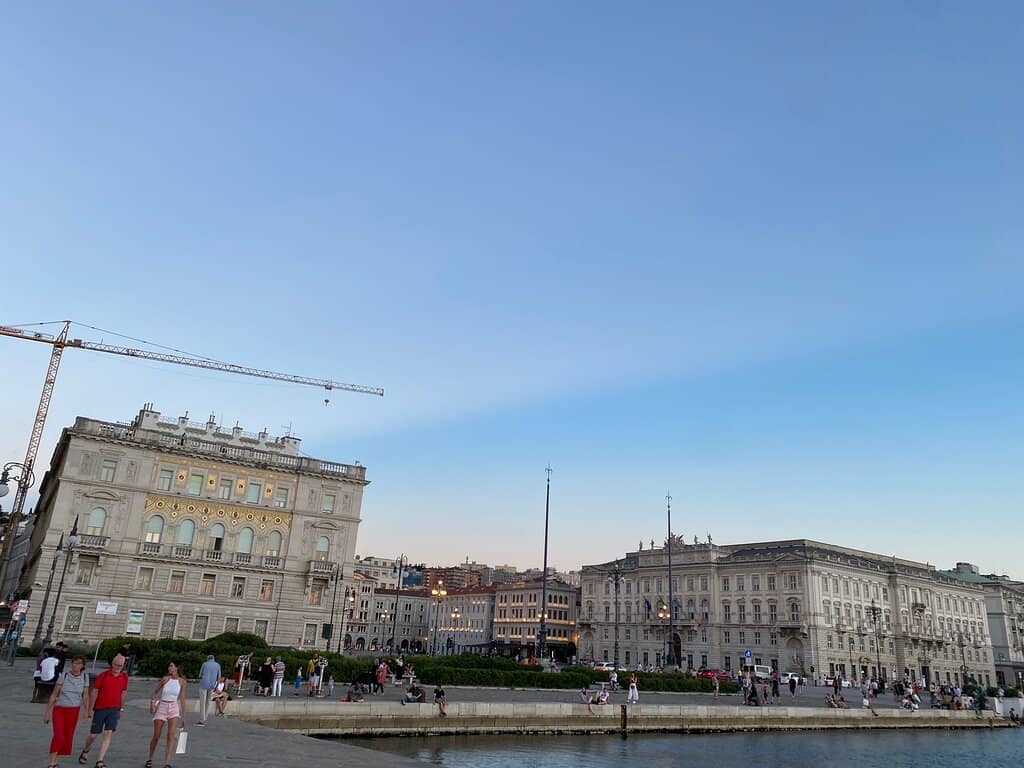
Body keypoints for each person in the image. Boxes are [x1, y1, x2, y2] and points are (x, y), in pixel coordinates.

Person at [78, 654, 129, 768]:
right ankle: (86, 750)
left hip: (114, 709)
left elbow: (123, 693)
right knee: (93, 735)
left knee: (108, 733)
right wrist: (90, 709)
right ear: (112, 663)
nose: (117, 667)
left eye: (120, 665)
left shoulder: (124, 677)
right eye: (115, 664)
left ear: (123, 666)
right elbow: (94, 691)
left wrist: (121, 708)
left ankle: (99, 761)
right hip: (100, 708)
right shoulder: (103, 675)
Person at [44, 655, 90, 768]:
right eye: (74, 662)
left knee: (67, 737)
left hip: (73, 710)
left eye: (79, 663)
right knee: (59, 736)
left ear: (83, 666)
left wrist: (86, 711)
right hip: (60, 709)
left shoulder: (85, 677)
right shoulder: (64, 675)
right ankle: (52, 763)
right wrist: (47, 712)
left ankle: (56, 760)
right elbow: (54, 694)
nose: (75, 665)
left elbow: (85, 696)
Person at [147, 661, 187, 768]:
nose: (169, 668)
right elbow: (155, 692)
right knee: (156, 735)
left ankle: (167, 762)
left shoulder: (182, 681)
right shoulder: (165, 679)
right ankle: (150, 758)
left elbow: (182, 698)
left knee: (170, 736)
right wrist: (152, 704)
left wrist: (183, 715)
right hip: (162, 706)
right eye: (169, 665)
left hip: (173, 707)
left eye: (171, 666)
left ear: (176, 668)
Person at [197, 654, 221, 726]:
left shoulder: (204, 664)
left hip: (203, 684)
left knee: (202, 702)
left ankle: (202, 720)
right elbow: (219, 677)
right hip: (212, 685)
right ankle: (205, 718)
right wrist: (216, 686)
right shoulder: (218, 665)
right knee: (208, 702)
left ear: (207, 659)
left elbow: (200, 675)